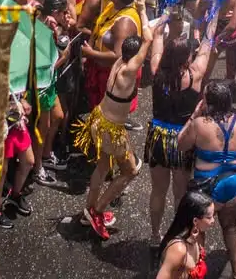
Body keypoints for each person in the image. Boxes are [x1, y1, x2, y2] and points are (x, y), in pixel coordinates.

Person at [75, 16, 152, 240]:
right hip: (111, 129)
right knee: (131, 170)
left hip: (99, 118)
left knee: (102, 167)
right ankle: (97, 210)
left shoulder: (120, 59)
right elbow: (147, 39)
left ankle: (89, 211)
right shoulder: (129, 70)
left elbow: (144, 38)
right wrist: (143, 14)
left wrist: (142, 9)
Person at [178, 80, 236, 279]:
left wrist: (194, 115)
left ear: (208, 103)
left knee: (198, 230)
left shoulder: (199, 124)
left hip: (206, 186)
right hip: (235, 184)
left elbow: (180, 144)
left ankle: (198, 272)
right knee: (230, 226)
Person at [145, 19, 212, 242]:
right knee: (180, 193)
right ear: (186, 59)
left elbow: (156, 36)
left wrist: (165, 15)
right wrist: (214, 13)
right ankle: (178, 236)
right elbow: (207, 45)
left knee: (158, 191)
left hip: (158, 136)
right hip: (182, 138)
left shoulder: (157, 72)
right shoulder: (194, 76)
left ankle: (155, 235)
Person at [154, 191, 215, 279]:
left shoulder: (194, 235)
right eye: (209, 217)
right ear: (195, 221)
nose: (213, 221)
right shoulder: (178, 250)